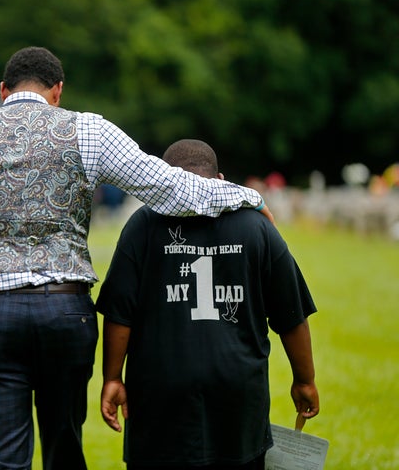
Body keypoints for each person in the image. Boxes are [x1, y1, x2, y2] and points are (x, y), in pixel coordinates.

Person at [0, 47, 273, 470]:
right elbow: (172, 189)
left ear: (2, 91)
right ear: (58, 92)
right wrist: (245, 195)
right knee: (64, 443)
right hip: (66, 311)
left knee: (0, 458)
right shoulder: (87, 131)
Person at [97, 139, 319, 470]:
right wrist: (305, 380)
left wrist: (112, 377)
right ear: (221, 178)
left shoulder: (143, 225)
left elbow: (120, 314)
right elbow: (291, 314)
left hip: (160, 391)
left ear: (165, 177)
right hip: (238, 389)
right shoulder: (257, 226)